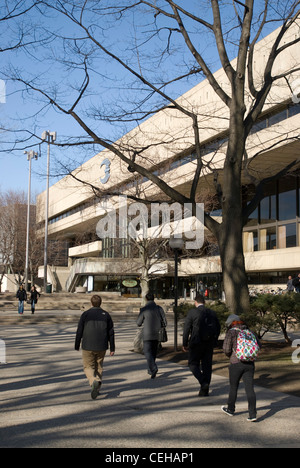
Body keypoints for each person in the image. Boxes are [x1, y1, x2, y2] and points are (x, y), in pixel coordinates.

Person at [75, 295, 115, 400]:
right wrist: (112, 348)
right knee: (99, 366)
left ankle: (93, 381)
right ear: (100, 303)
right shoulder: (106, 315)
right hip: (102, 345)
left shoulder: (85, 314)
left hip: (88, 345)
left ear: (91, 303)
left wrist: (77, 344)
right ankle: (97, 389)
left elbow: (79, 331)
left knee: (88, 367)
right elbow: (111, 332)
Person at [222, 314, 261, 422]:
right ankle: (252, 414)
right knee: (249, 388)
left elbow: (226, 349)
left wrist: (231, 355)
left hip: (236, 362)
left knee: (233, 387)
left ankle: (231, 409)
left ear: (231, 323)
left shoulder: (232, 332)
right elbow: (259, 346)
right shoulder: (250, 332)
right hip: (250, 363)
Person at [183, 294, 220, 397]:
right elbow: (218, 327)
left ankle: (203, 382)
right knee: (207, 365)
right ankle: (205, 388)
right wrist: (215, 340)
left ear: (195, 302)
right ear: (204, 302)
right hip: (209, 343)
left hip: (196, 342)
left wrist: (184, 343)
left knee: (193, 363)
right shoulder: (212, 313)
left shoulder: (192, 312)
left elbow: (186, 329)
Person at [137, 292, 167, 379]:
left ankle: (153, 368)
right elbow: (165, 322)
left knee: (147, 352)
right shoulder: (159, 308)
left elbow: (138, 323)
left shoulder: (144, 309)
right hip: (158, 334)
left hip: (147, 334)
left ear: (146, 299)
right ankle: (151, 370)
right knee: (153, 352)